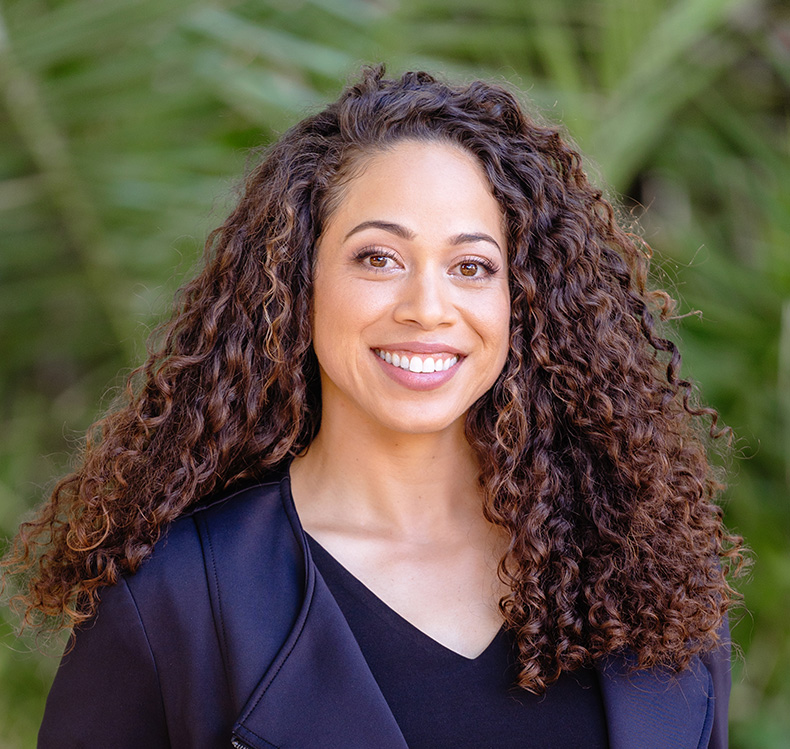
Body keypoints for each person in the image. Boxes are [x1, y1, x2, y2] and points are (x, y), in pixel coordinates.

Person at [4, 65, 742, 748]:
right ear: (300, 280)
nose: (428, 307)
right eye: (378, 257)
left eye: (472, 266)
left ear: (523, 301)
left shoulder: (647, 580)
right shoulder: (176, 601)